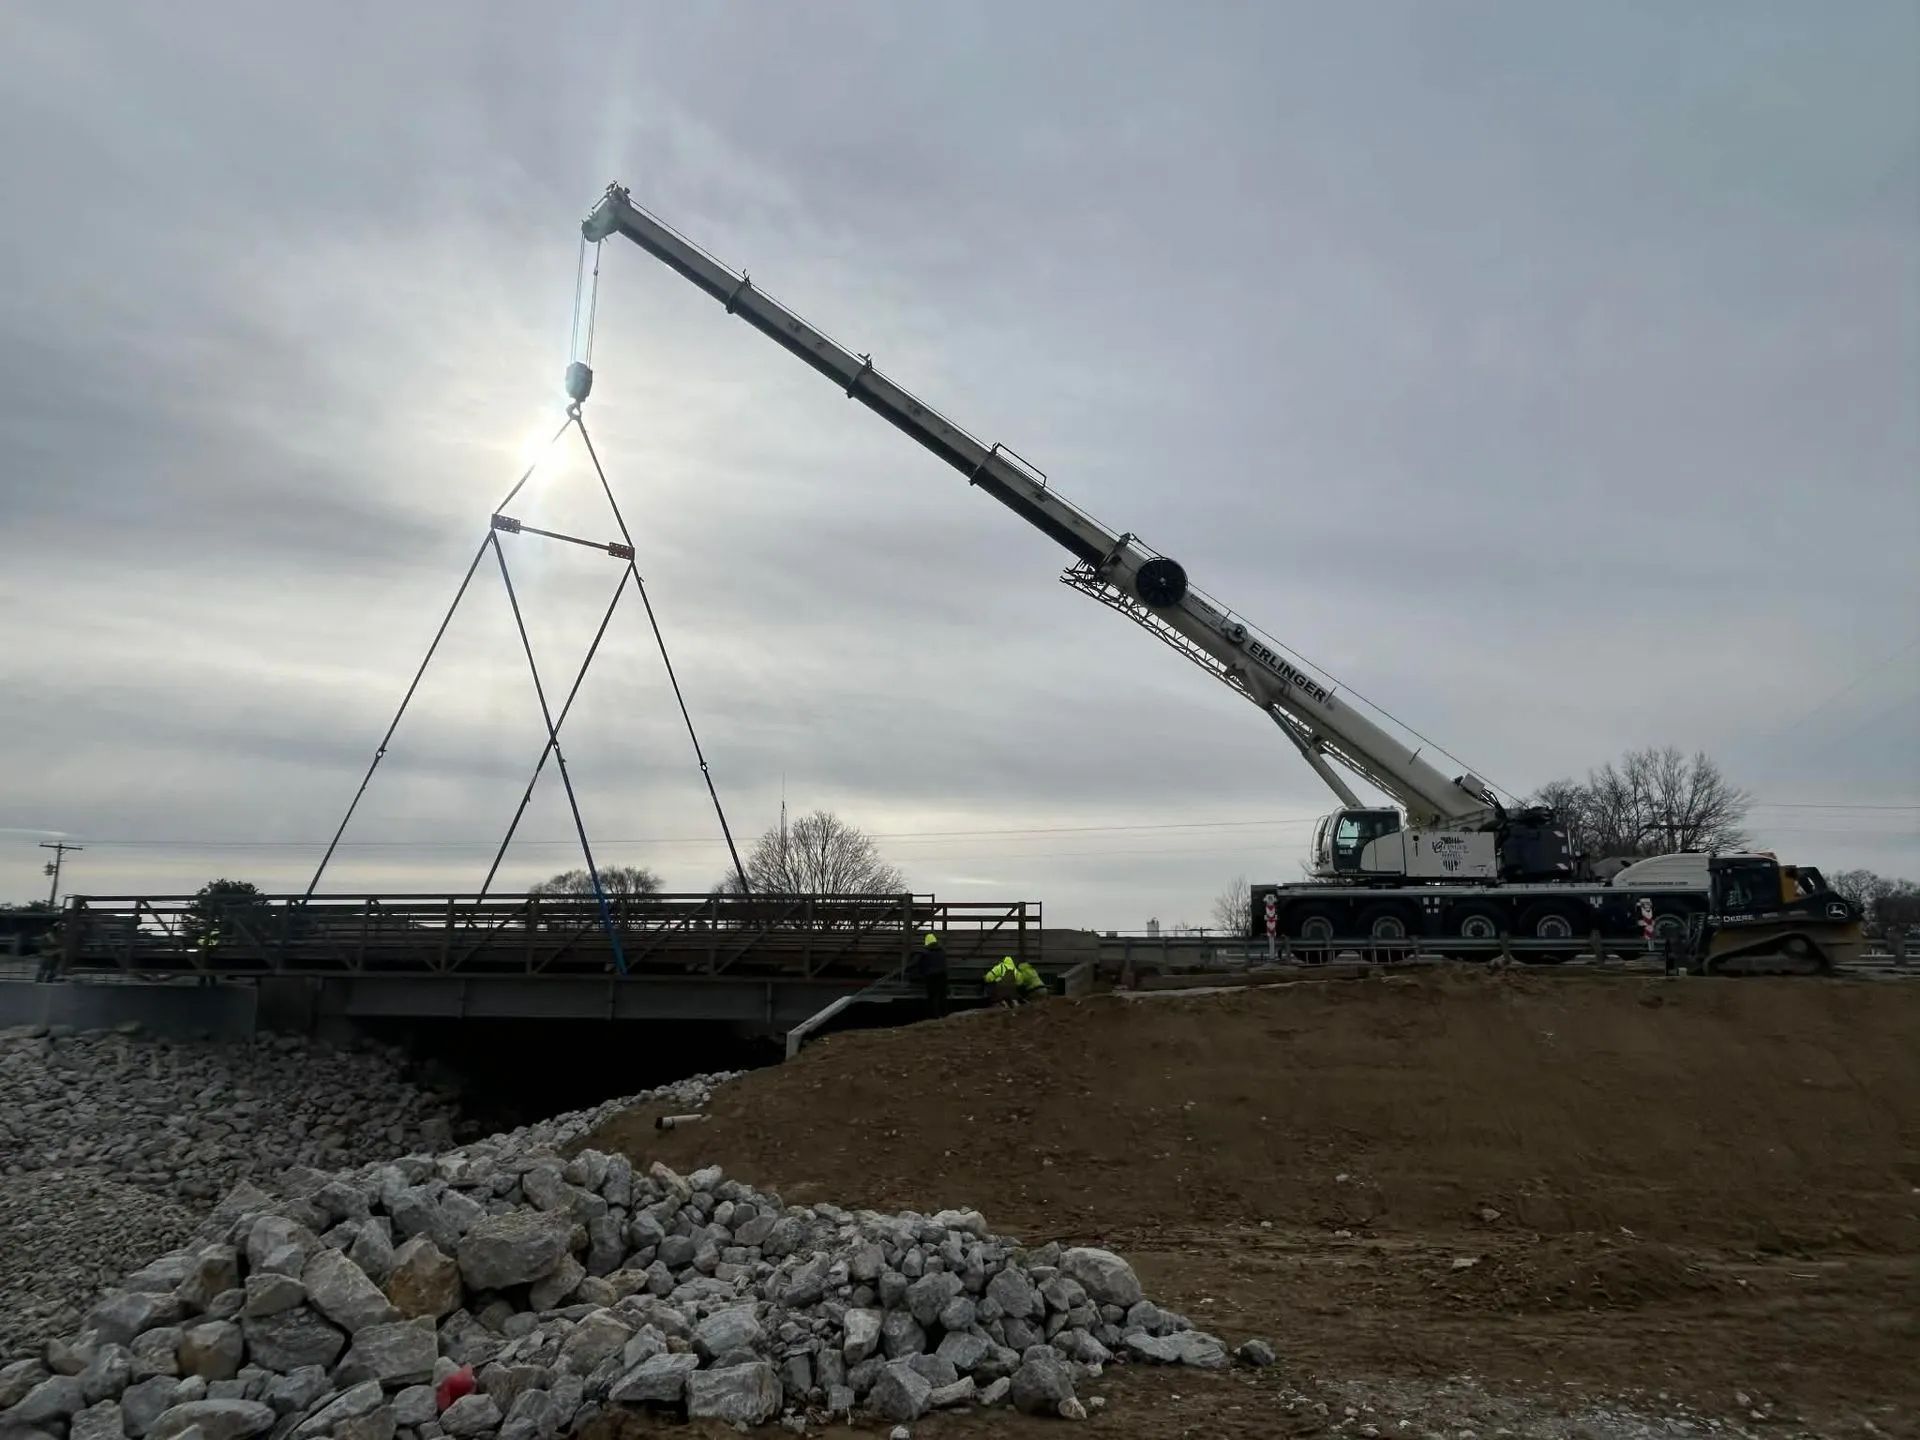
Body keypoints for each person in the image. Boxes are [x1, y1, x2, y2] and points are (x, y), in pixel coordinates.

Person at [918, 931, 949, 1013]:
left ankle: (935, 1016)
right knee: (942, 996)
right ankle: (944, 1014)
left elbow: (918, 964)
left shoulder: (925, 953)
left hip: (931, 976)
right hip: (942, 975)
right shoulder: (942, 951)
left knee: (932, 997)